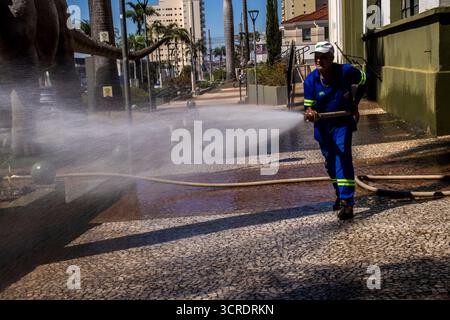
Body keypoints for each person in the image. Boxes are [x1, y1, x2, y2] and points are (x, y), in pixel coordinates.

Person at [303, 42, 368, 220]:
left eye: (323, 57)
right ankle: (339, 195)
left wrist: (355, 103)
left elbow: (365, 79)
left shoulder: (346, 71)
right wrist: (310, 113)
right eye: (317, 56)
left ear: (332, 58)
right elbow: (308, 108)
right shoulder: (311, 81)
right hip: (323, 128)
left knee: (342, 158)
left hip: (342, 124)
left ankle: (348, 203)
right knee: (330, 163)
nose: (319, 60)